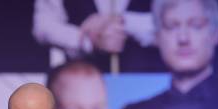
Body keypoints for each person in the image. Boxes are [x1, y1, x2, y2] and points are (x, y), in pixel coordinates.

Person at [33, 0, 164, 72]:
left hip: (147, 81)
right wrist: (88, 41)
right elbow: (43, 26)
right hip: (82, 83)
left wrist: (123, 21)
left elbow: (177, 17)